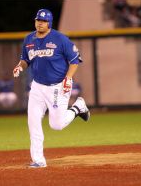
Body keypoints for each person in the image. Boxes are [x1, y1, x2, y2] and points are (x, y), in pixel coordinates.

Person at [13, 9, 90, 168]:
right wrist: (20, 67)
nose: (40, 23)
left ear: (49, 23)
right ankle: (38, 160)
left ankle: (78, 107)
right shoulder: (29, 39)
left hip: (57, 86)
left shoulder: (60, 39)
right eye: (38, 20)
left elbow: (75, 60)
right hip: (37, 87)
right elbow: (25, 60)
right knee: (33, 121)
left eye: (43, 21)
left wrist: (68, 78)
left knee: (57, 125)